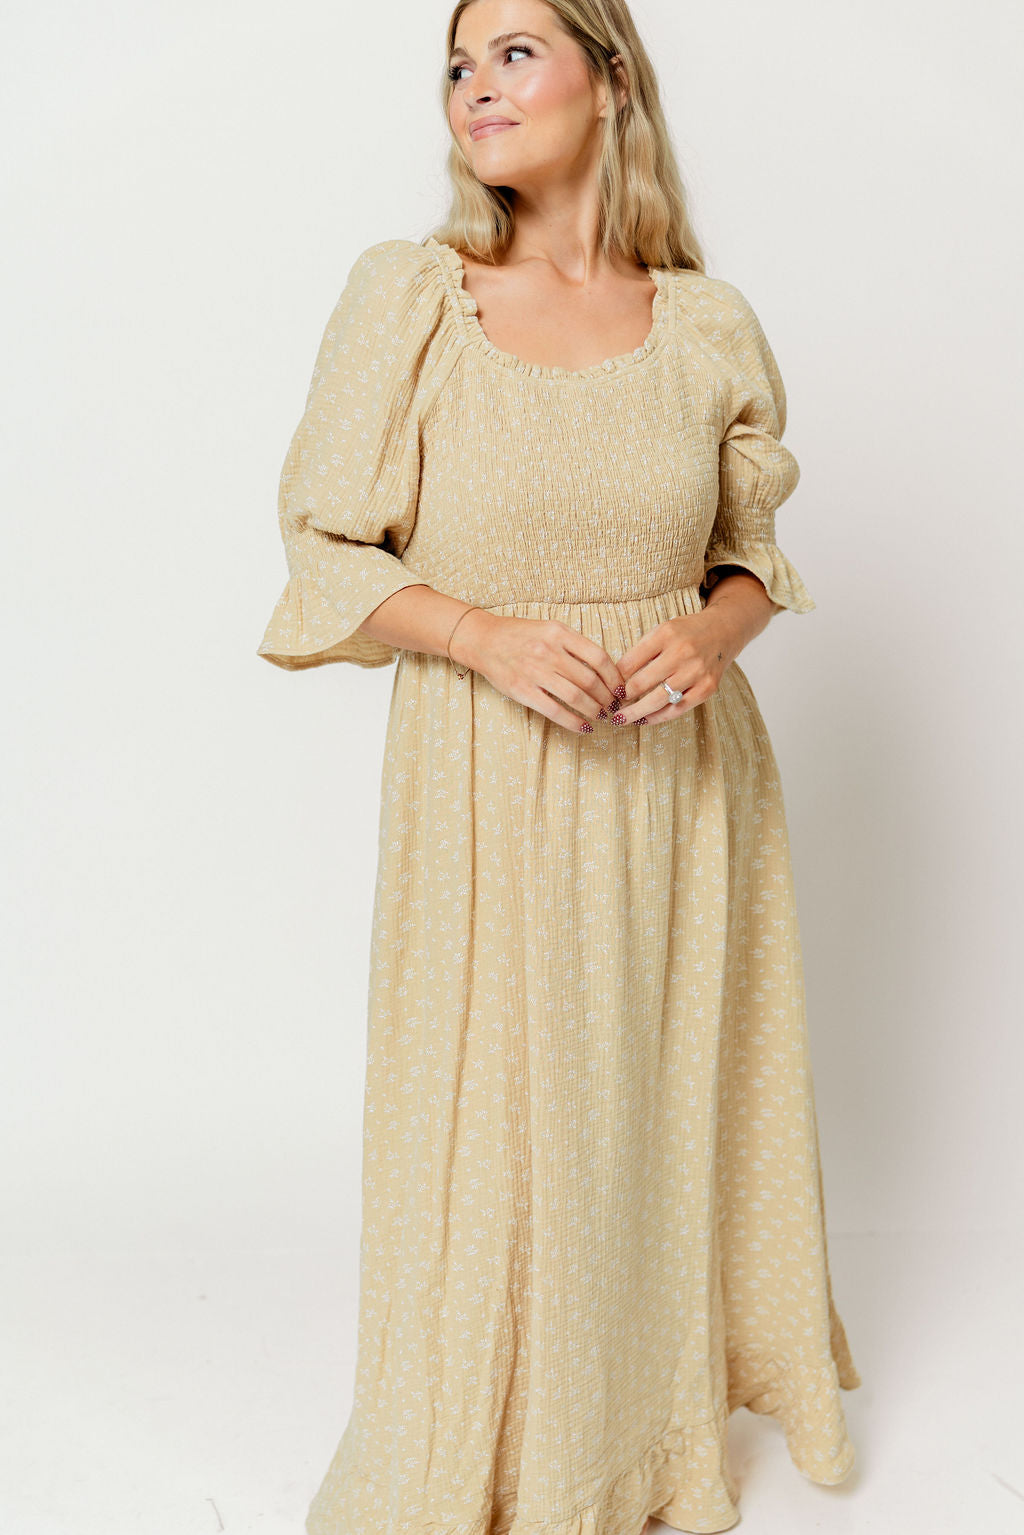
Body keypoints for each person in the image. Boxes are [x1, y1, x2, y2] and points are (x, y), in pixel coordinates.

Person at [257, 1, 862, 1530]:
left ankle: (644, 1438)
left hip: (681, 781)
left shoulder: (707, 322)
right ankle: (499, 1449)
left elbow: (748, 556)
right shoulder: (412, 299)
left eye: (514, 51)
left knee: (661, 1113)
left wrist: (714, 636)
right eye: (458, 64)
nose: (476, 84)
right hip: (487, 777)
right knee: (496, 1136)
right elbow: (324, 547)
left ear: (611, 78)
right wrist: (478, 634)